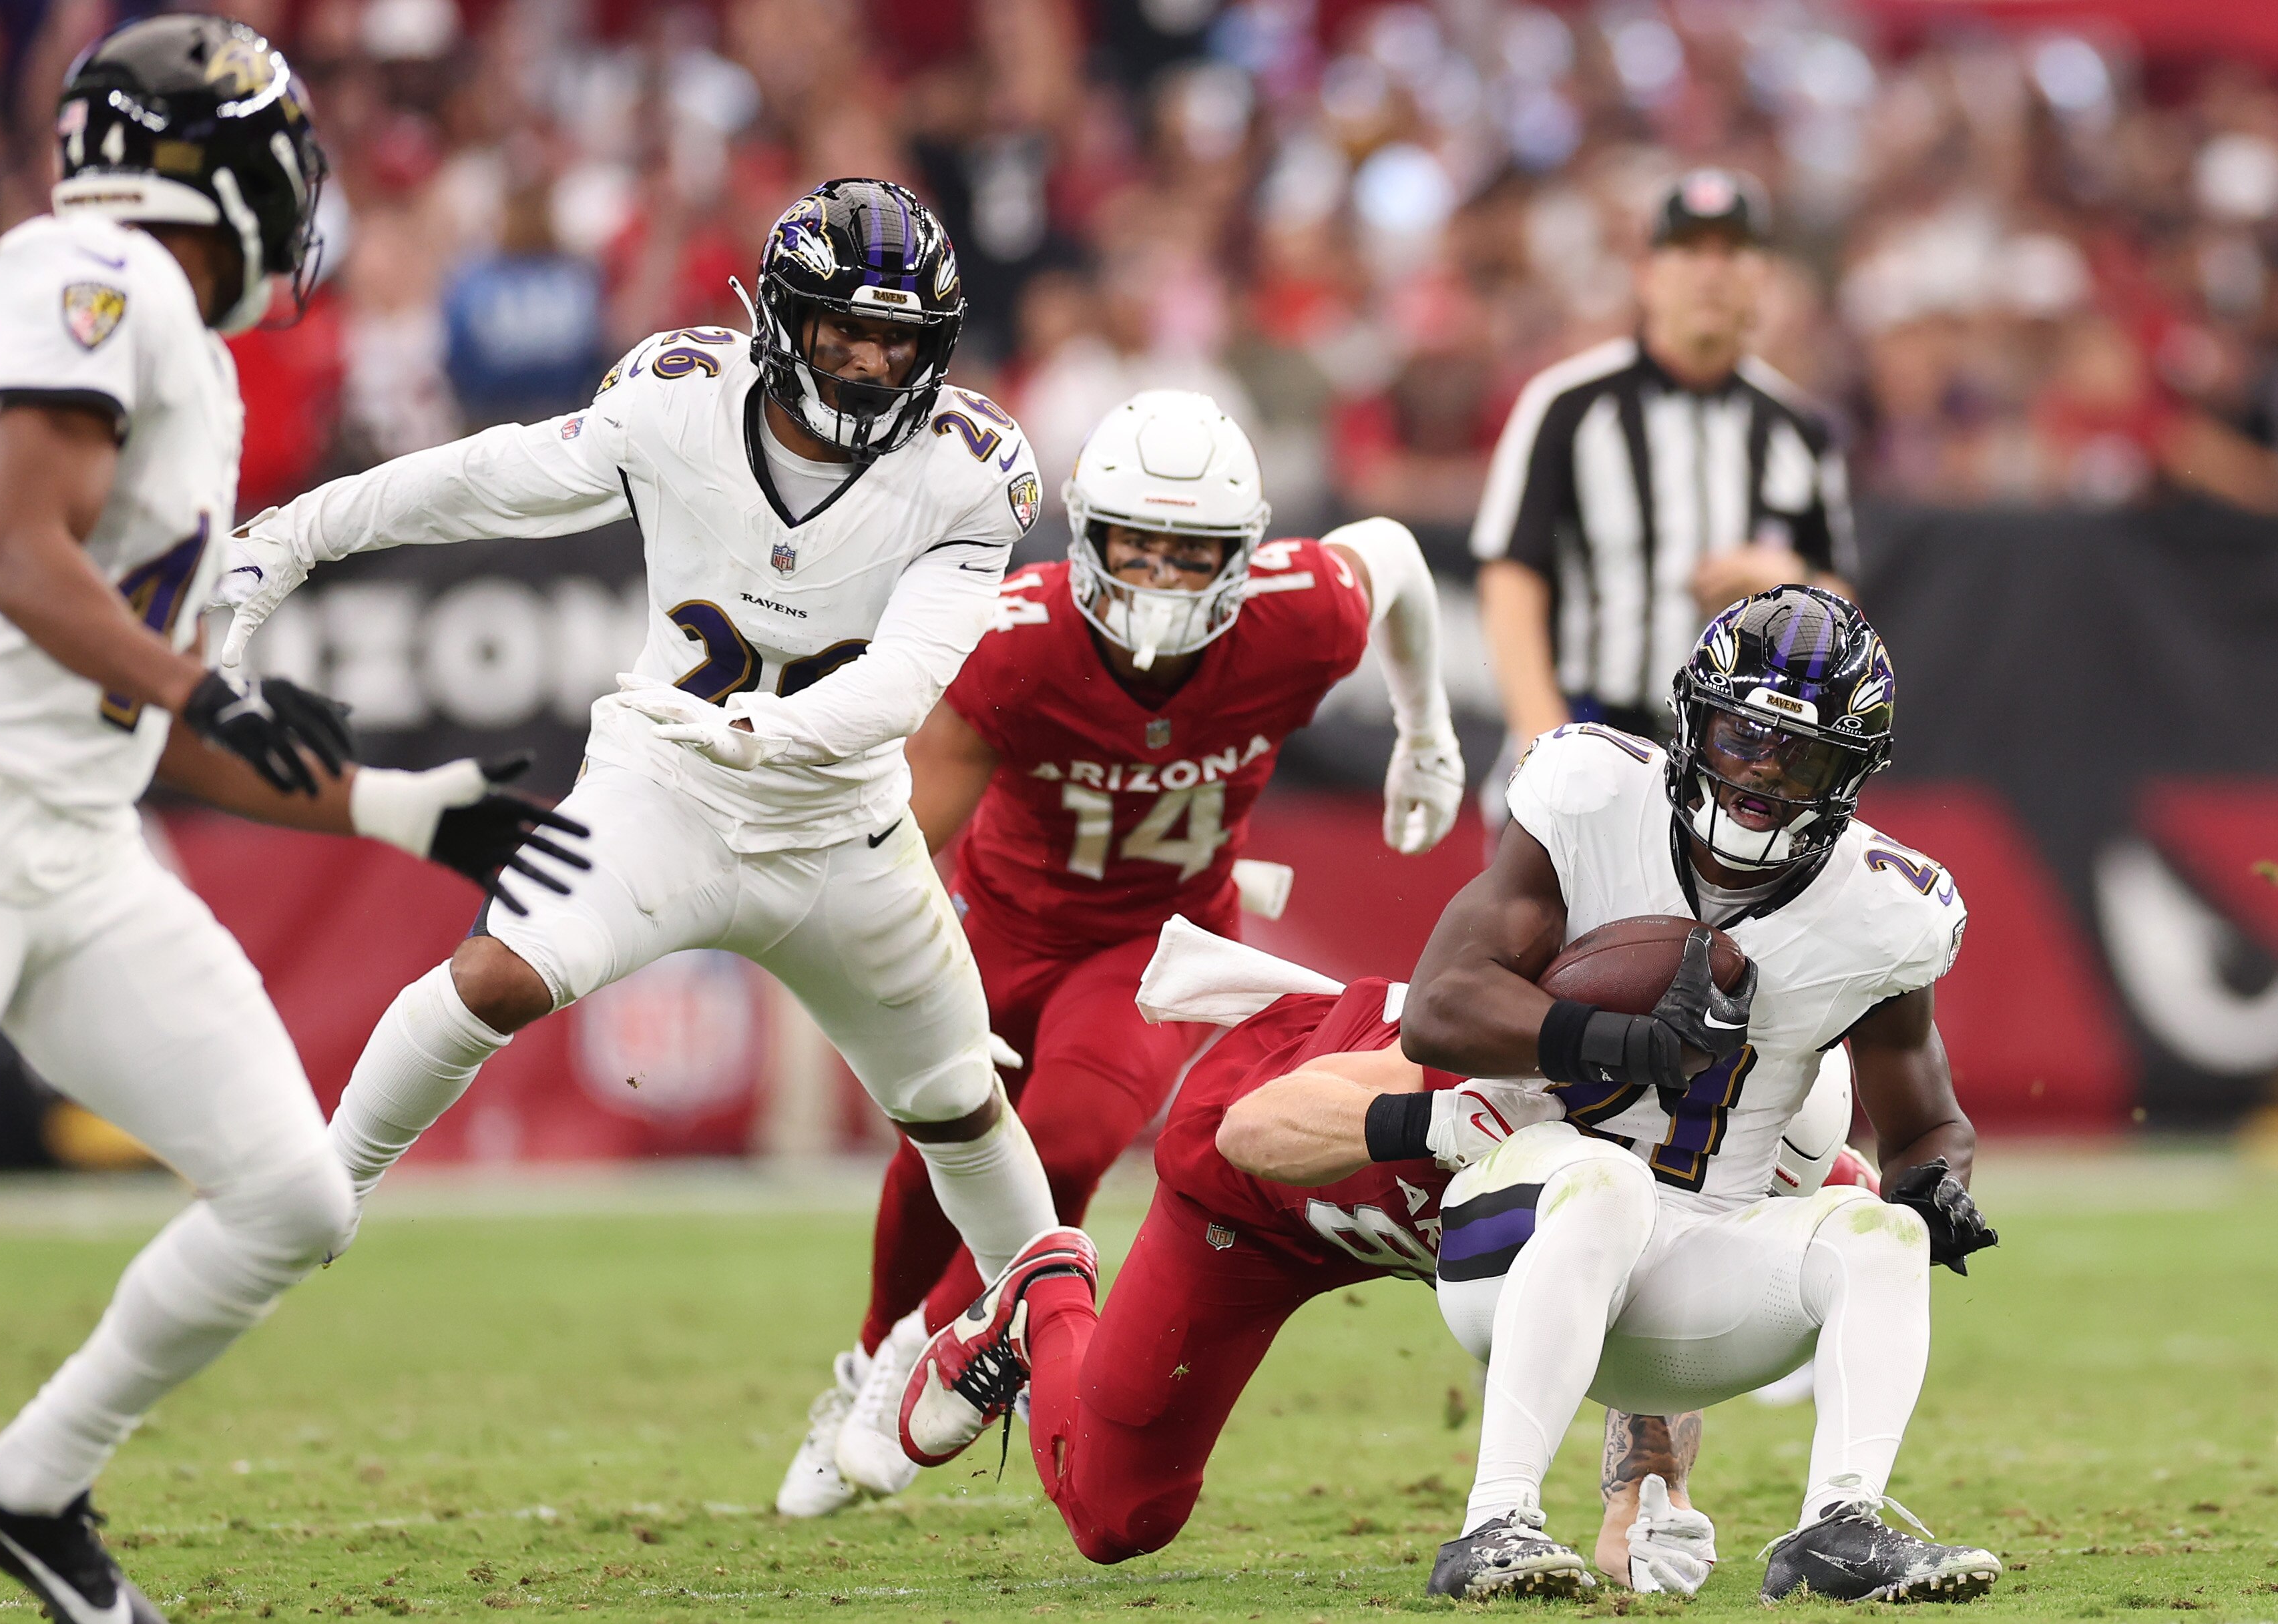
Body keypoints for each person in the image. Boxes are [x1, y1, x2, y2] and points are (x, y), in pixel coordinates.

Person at [0, 21, 582, 1624]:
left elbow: (141, 702)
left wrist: (400, 806)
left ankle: (26, 1484)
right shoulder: (91, 270)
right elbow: (28, 564)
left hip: (77, 828)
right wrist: (200, 691)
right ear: (211, 168)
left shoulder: (155, 322)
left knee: (290, 1193)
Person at [216, 180, 1065, 1324]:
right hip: (664, 782)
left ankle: (1048, 1335)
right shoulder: (682, 403)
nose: (869, 361)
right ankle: (318, 1199)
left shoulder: (972, 468)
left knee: (958, 1102)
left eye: (895, 338)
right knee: (494, 975)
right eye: (845, 331)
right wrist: (298, 532)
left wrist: (767, 727)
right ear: (783, 320)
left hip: (837, 820)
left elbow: (905, 679)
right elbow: (487, 479)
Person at [776, 389, 1467, 1517]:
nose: (1156, 574)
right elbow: (897, 841)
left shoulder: (1300, 618)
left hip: (1162, 942)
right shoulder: (1017, 640)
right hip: (1002, 925)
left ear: (1240, 555)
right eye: (1135, 544)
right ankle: (872, 1357)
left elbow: (1390, 552)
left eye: (1190, 552)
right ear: (1086, 534)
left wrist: (1425, 729)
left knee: (1076, 1128)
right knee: (938, 1145)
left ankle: (942, 1341)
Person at [886, 920, 1865, 1588]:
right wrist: (1450, 1118)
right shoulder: (1530, 1063)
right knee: (1116, 1519)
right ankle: (1045, 1299)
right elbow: (1249, 1131)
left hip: (1426, 1225)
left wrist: (1643, 1489)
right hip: (1267, 1199)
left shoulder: (1774, 1175)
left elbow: (1660, 1289)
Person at [1397, 586, 2000, 1602]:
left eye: (1797, 755)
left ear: (1848, 775)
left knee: (1876, 1236)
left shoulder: (1883, 912)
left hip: (1695, 1276)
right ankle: (1494, 1521)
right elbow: (1438, 1007)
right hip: (1513, 1242)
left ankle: (1835, 1528)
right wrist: (1621, 1043)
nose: (1762, 770)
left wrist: (1933, 1185)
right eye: (1741, 734)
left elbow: (1924, 1122)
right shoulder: (1591, 793)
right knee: (1607, 1186)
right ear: (1692, 719)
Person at [1471, 169, 1855, 826]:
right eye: (1687, 251)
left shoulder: (1796, 429)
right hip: (1591, 723)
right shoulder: (1568, 407)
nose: (1710, 273)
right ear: (1647, 273)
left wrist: (1792, 584)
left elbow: (1842, 609)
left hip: (1739, 759)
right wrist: (1546, 743)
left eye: (1730, 252)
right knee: (1535, 928)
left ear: (1761, 276)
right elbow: (1510, 578)